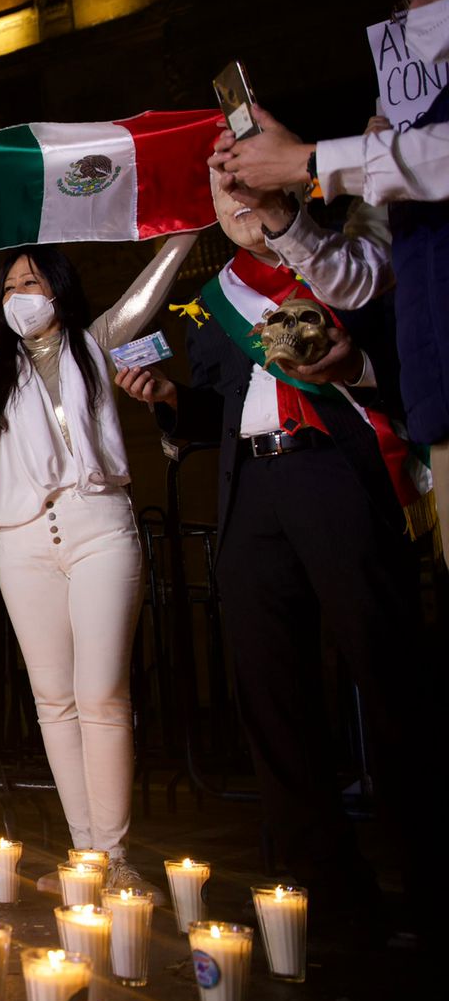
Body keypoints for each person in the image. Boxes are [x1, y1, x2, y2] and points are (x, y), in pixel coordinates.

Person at [115, 168, 428, 932]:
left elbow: (405, 361)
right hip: (252, 487)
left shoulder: (350, 261)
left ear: (293, 196)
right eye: (225, 199)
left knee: (389, 674)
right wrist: (168, 400)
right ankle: (324, 885)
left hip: (334, 468)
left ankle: (431, 877)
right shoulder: (215, 301)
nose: (239, 207)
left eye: (251, 191)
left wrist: (352, 365)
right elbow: (221, 410)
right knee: (270, 689)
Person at [0, 237, 196, 894]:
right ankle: (86, 855)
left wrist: (184, 233)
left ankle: (117, 858)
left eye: (31, 284)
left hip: (98, 528)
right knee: (54, 700)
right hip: (23, 541)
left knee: (101, 695)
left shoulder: (94, 341)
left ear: (58, 290)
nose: (18, 298)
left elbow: (142, 300)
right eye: (8, 289)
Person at [210, 0, 449, 558]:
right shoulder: (401, 119)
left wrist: (310, 161)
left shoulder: (406, 145)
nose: (415, 7)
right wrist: (277, 211)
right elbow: (359, 274)